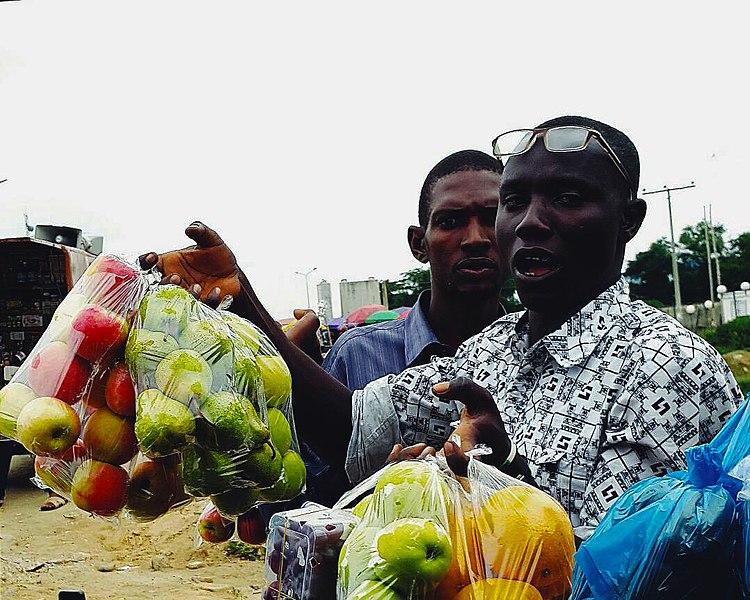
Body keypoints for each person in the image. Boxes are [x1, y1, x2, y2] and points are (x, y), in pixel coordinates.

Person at [142, 116, 741, 541]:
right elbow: (351, 427)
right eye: (516, 200)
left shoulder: (666, 365)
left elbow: (637, 572)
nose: (528, 222)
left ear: (628, 221)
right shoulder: (493, 350)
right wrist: (242, 298)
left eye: (567, 197)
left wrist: (498, 484)